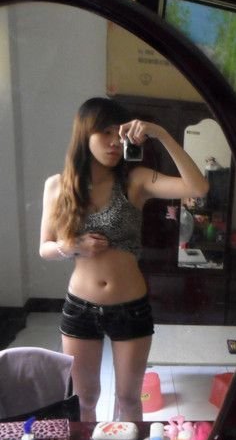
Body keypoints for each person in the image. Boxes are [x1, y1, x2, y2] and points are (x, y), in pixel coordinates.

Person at [39, 97, 208, 421]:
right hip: (80, 308)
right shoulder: (57, 186)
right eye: (105, 133)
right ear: (84, 134)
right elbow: (45, 247)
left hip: (131, 307)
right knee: (85, 399)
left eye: (120, 134)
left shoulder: (135, 180)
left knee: (129, 399)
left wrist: (160, 133)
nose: (115, 142)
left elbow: (197, 187)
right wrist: (73, 246)